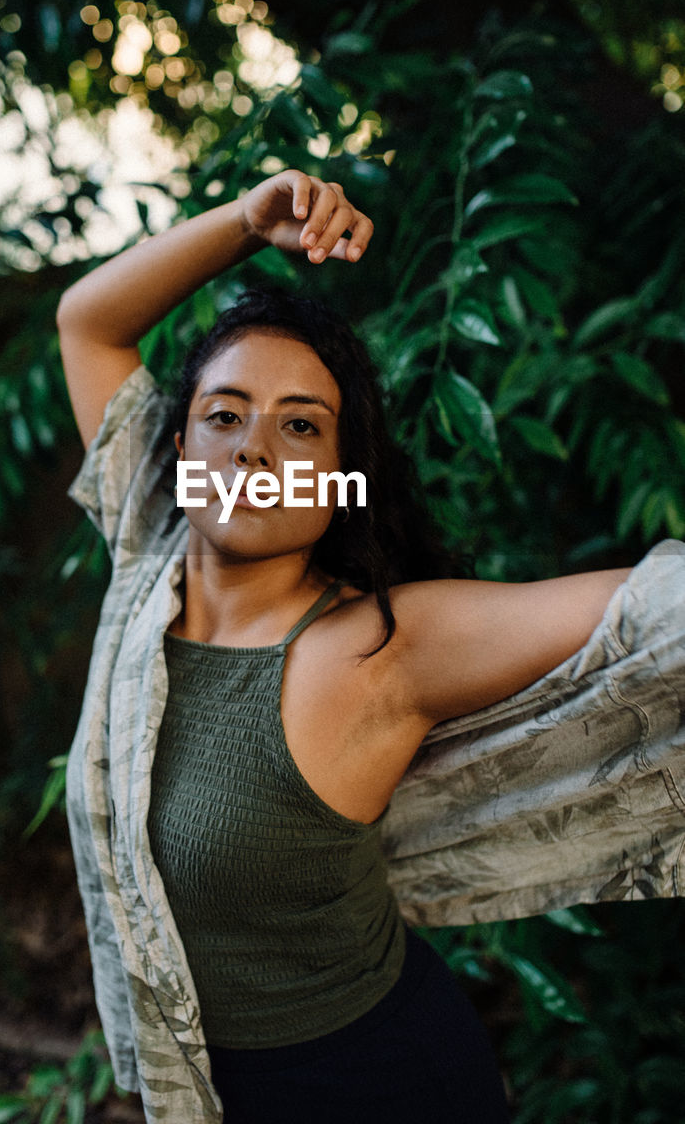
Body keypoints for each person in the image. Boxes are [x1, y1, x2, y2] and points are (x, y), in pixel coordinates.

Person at [56, 169, 683, 1124]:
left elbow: (658, 613)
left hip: (380, 1088)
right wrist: (246, 221)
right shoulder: (148, 557)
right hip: (211, 1092)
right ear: (178, 453)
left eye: (300, 426)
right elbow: (88, 322)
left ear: (342, 480)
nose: (252, 449)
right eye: (224, 414)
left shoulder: (379, 645)